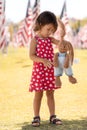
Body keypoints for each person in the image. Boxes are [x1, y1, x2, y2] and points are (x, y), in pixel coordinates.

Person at [29, 11, 63, 127]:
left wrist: (63, 43)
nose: (50, 32)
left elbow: (60, 43)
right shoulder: (35, 40)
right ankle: (36, 117)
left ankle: (52, 116)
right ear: (40, 25)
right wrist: (43, 60)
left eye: (52, 30)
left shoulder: (50, 39)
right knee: (38, 95)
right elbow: (31, 56)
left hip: (50, 71)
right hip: (39, 72)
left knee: (50, 94)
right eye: (48, 29)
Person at [54, 19, 77, 87]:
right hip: (58, 61)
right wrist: (55, 60)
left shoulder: (67, 43)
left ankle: (70, 76)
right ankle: (57, 78)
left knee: (68, 66)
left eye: (65, 47)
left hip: (65, 60)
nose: (63, 47)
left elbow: (71, 52)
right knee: (57, 66)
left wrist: (71, 60)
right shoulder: (58, 42)